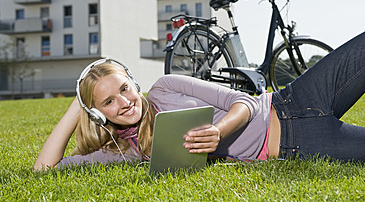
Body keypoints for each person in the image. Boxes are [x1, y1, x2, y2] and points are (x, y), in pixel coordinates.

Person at [34, 32, 365, 171]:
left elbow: (243, 103)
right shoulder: (127, 150)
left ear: (134, 83)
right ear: (98, 113)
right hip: (299, 143)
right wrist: (77, 105)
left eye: (123, 88)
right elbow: (44, 170)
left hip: (293, 99)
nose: (123, 102)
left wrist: (218, 132)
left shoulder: (165, 87)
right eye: (107, 102)